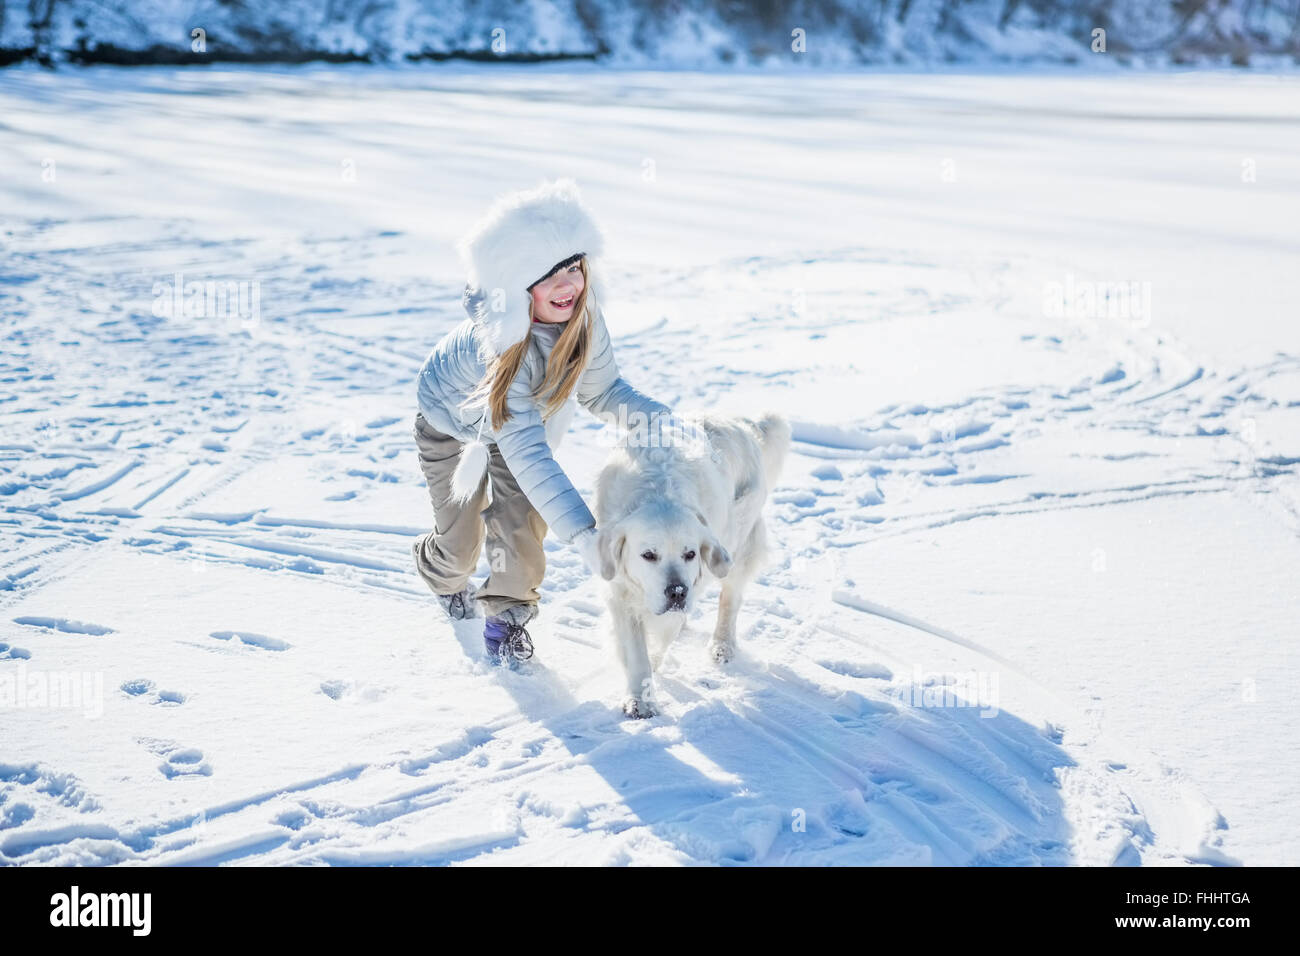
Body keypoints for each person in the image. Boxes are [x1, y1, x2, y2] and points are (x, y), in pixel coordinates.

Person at [412, 178, 675, 663]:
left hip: (519, 429)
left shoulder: (584, 320)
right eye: (548, 274)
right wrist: (584, 534)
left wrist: (670, 427)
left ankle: (506, 621)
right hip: (450, 423)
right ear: (516, 289)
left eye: (574, 268)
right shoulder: (501, 349)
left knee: (521, 527)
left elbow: (605, 392)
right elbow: (530, 453)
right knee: (461, 547)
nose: (568, 284)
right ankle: (439, 572)